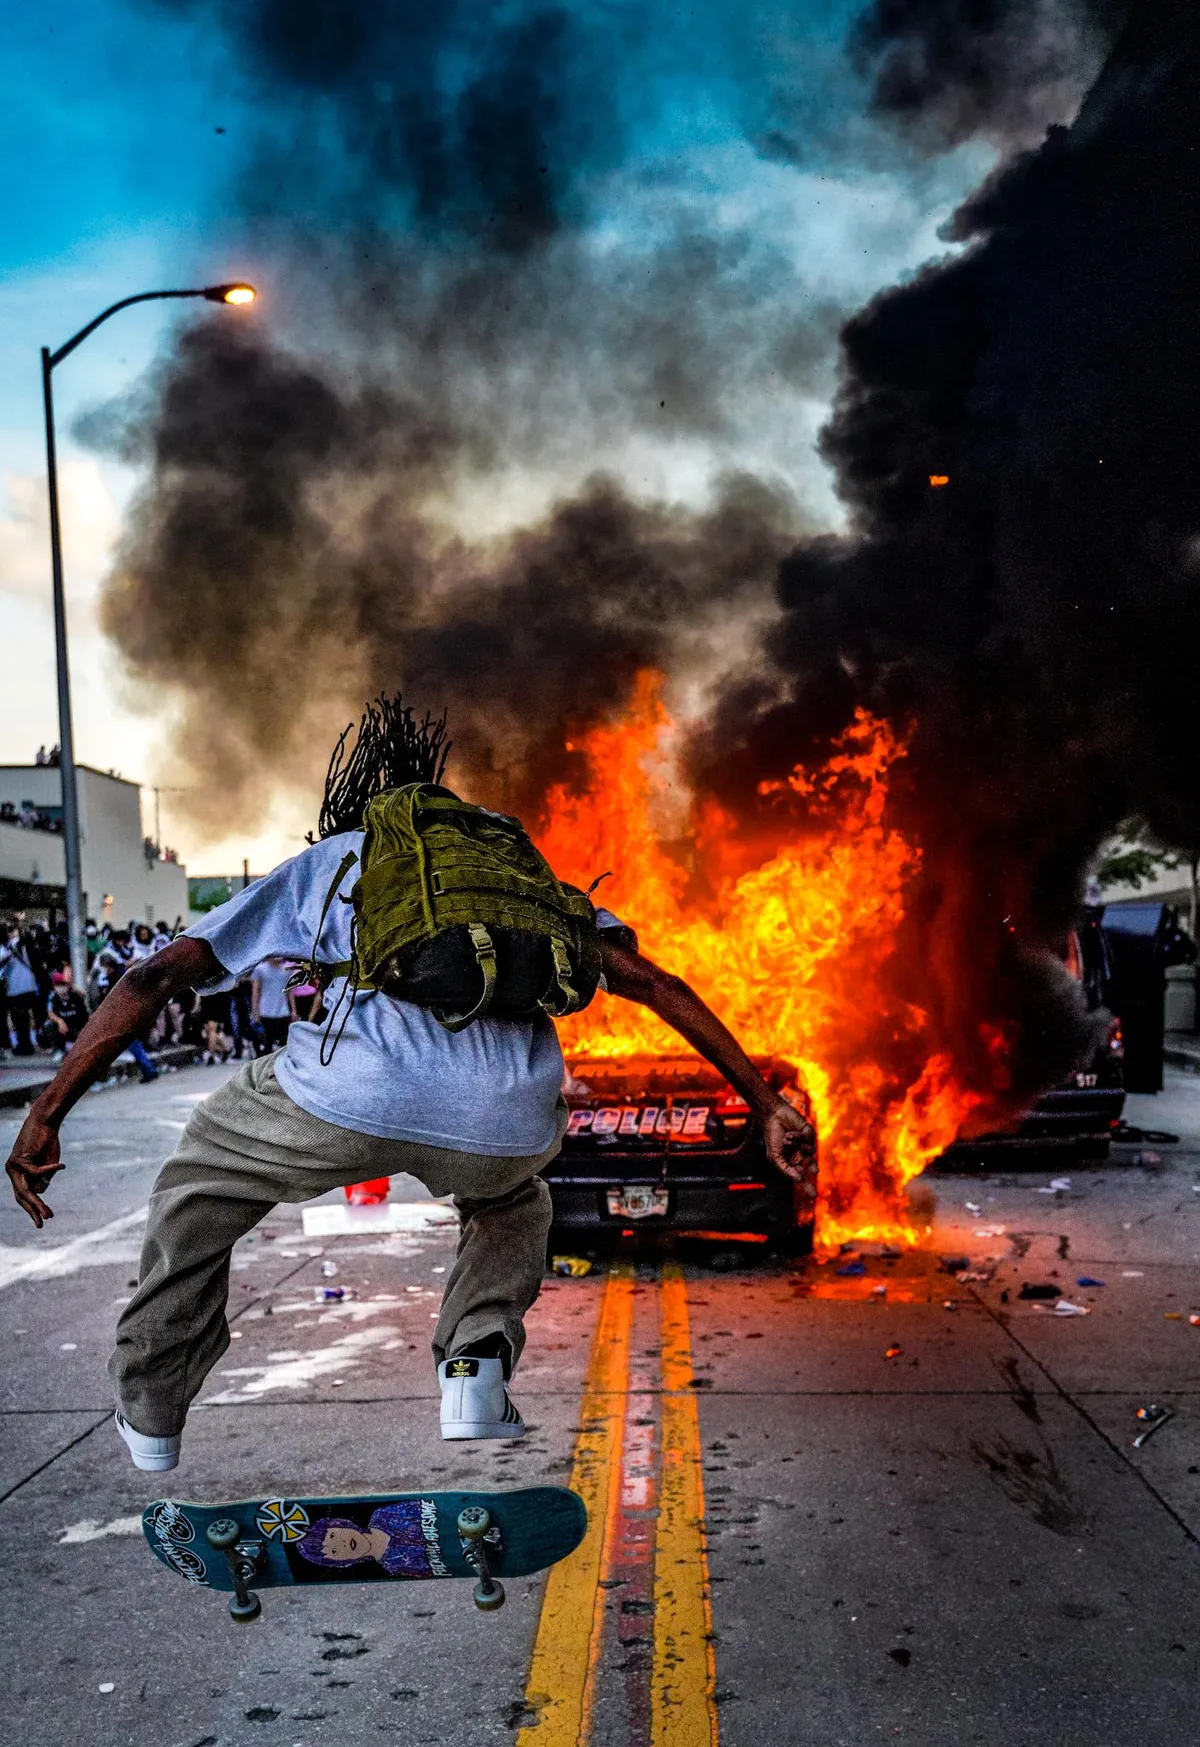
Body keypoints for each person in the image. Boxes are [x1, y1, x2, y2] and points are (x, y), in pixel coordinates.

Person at [3, 700, 816, 1476]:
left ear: (355, 808)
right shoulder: (515, 868)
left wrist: (47, 1112)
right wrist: (764, 1099)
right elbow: (656, 982)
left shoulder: (336, 858)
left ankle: (152, 1402)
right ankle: (474, 1366)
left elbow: (152, 977)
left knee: (200, 1181)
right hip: (505, 1120)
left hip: (343, 1100)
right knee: (514, 1201)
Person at [1, 921, 41, 1056]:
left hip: (17, 987)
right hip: (26, 985)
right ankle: (25, 1044)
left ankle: (24, 1045)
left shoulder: (11, 946)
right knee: (22, 1018)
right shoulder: (14, 945)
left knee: (19, 1018)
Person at [250, 953, 296, 1051]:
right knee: (267, 1041)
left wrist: (293, 1010)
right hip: (266, 1010)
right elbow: (256, 991)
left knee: (285, 1041)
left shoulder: (286, 970)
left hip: (283, 1010)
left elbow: (290, 992)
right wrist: (255, 1011)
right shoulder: (260, 969)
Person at [46, 968, 89, 1059]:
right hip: (63, 1027)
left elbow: (84, 995)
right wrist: (59, 1021)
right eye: (58, 985)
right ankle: (60, 1049)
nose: (60, 988)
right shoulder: (53, 996)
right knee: (48, 1025)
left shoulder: (75, 994)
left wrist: (71, 985)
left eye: (62, 984)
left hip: (77, 1026)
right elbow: (50, 1013)